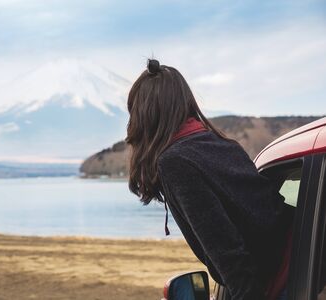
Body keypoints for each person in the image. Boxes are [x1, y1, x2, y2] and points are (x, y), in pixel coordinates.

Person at [125, 59, 293, 300]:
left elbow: (228, 253)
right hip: (299, 257)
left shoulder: (176, 161)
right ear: (184, 104)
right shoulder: (221, 144)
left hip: (286, 277)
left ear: (144, 116)